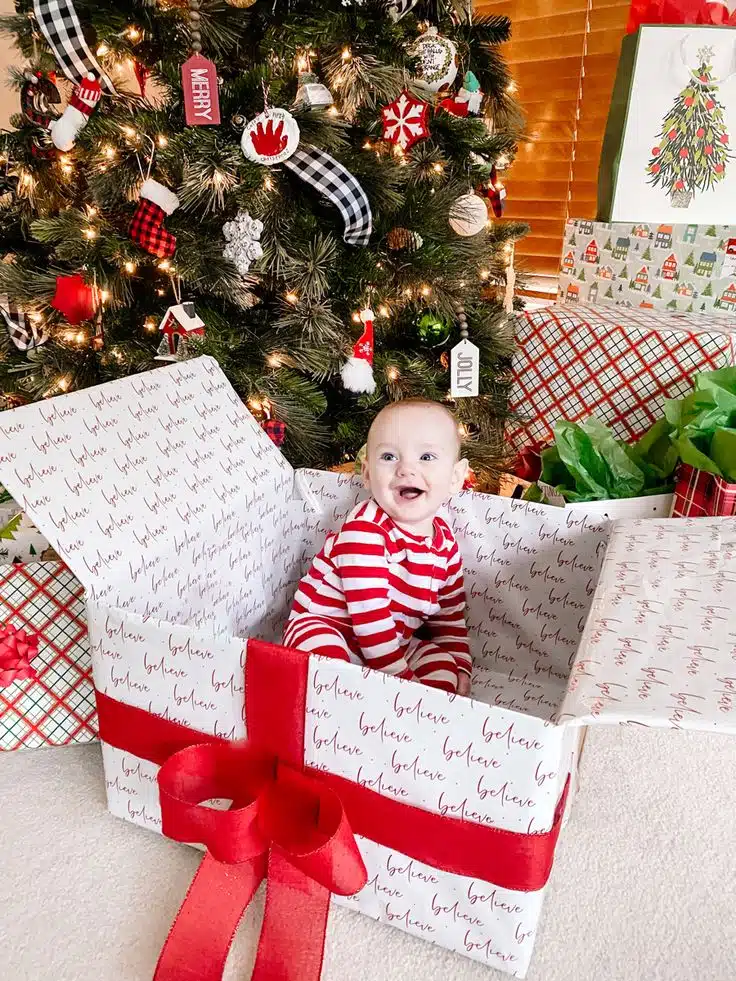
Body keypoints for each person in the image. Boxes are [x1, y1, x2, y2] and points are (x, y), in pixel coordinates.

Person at [284, 399, 472, 694]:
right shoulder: (365, 530)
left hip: (394, 644)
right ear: (368, 474)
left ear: (455, 477)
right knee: (320, 663)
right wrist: (401, 679)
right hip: (329, 627)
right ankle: (357, 707)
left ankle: (394, 711)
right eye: (389, 456)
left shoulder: (446, 545)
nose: (406, 469)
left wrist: (461, 666)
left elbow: (448, 618)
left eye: (426, 456)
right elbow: (370, 618)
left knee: (443, 671)